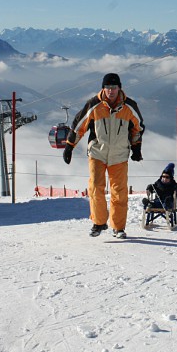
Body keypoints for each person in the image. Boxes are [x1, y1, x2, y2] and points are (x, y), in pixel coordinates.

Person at [63, 73, 144, 239]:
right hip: (97, 154)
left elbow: (138, 127)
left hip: (119, 155)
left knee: (119, 193)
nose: (111, 91)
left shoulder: (130, 106)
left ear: (119, 88)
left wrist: (137, 148)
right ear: (103, 88)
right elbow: (79, 126)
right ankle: (99, 223)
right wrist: (69, 146)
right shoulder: (94, 105)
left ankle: (118, 227)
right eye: (108, 87)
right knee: (95, 189)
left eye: (114, 87)